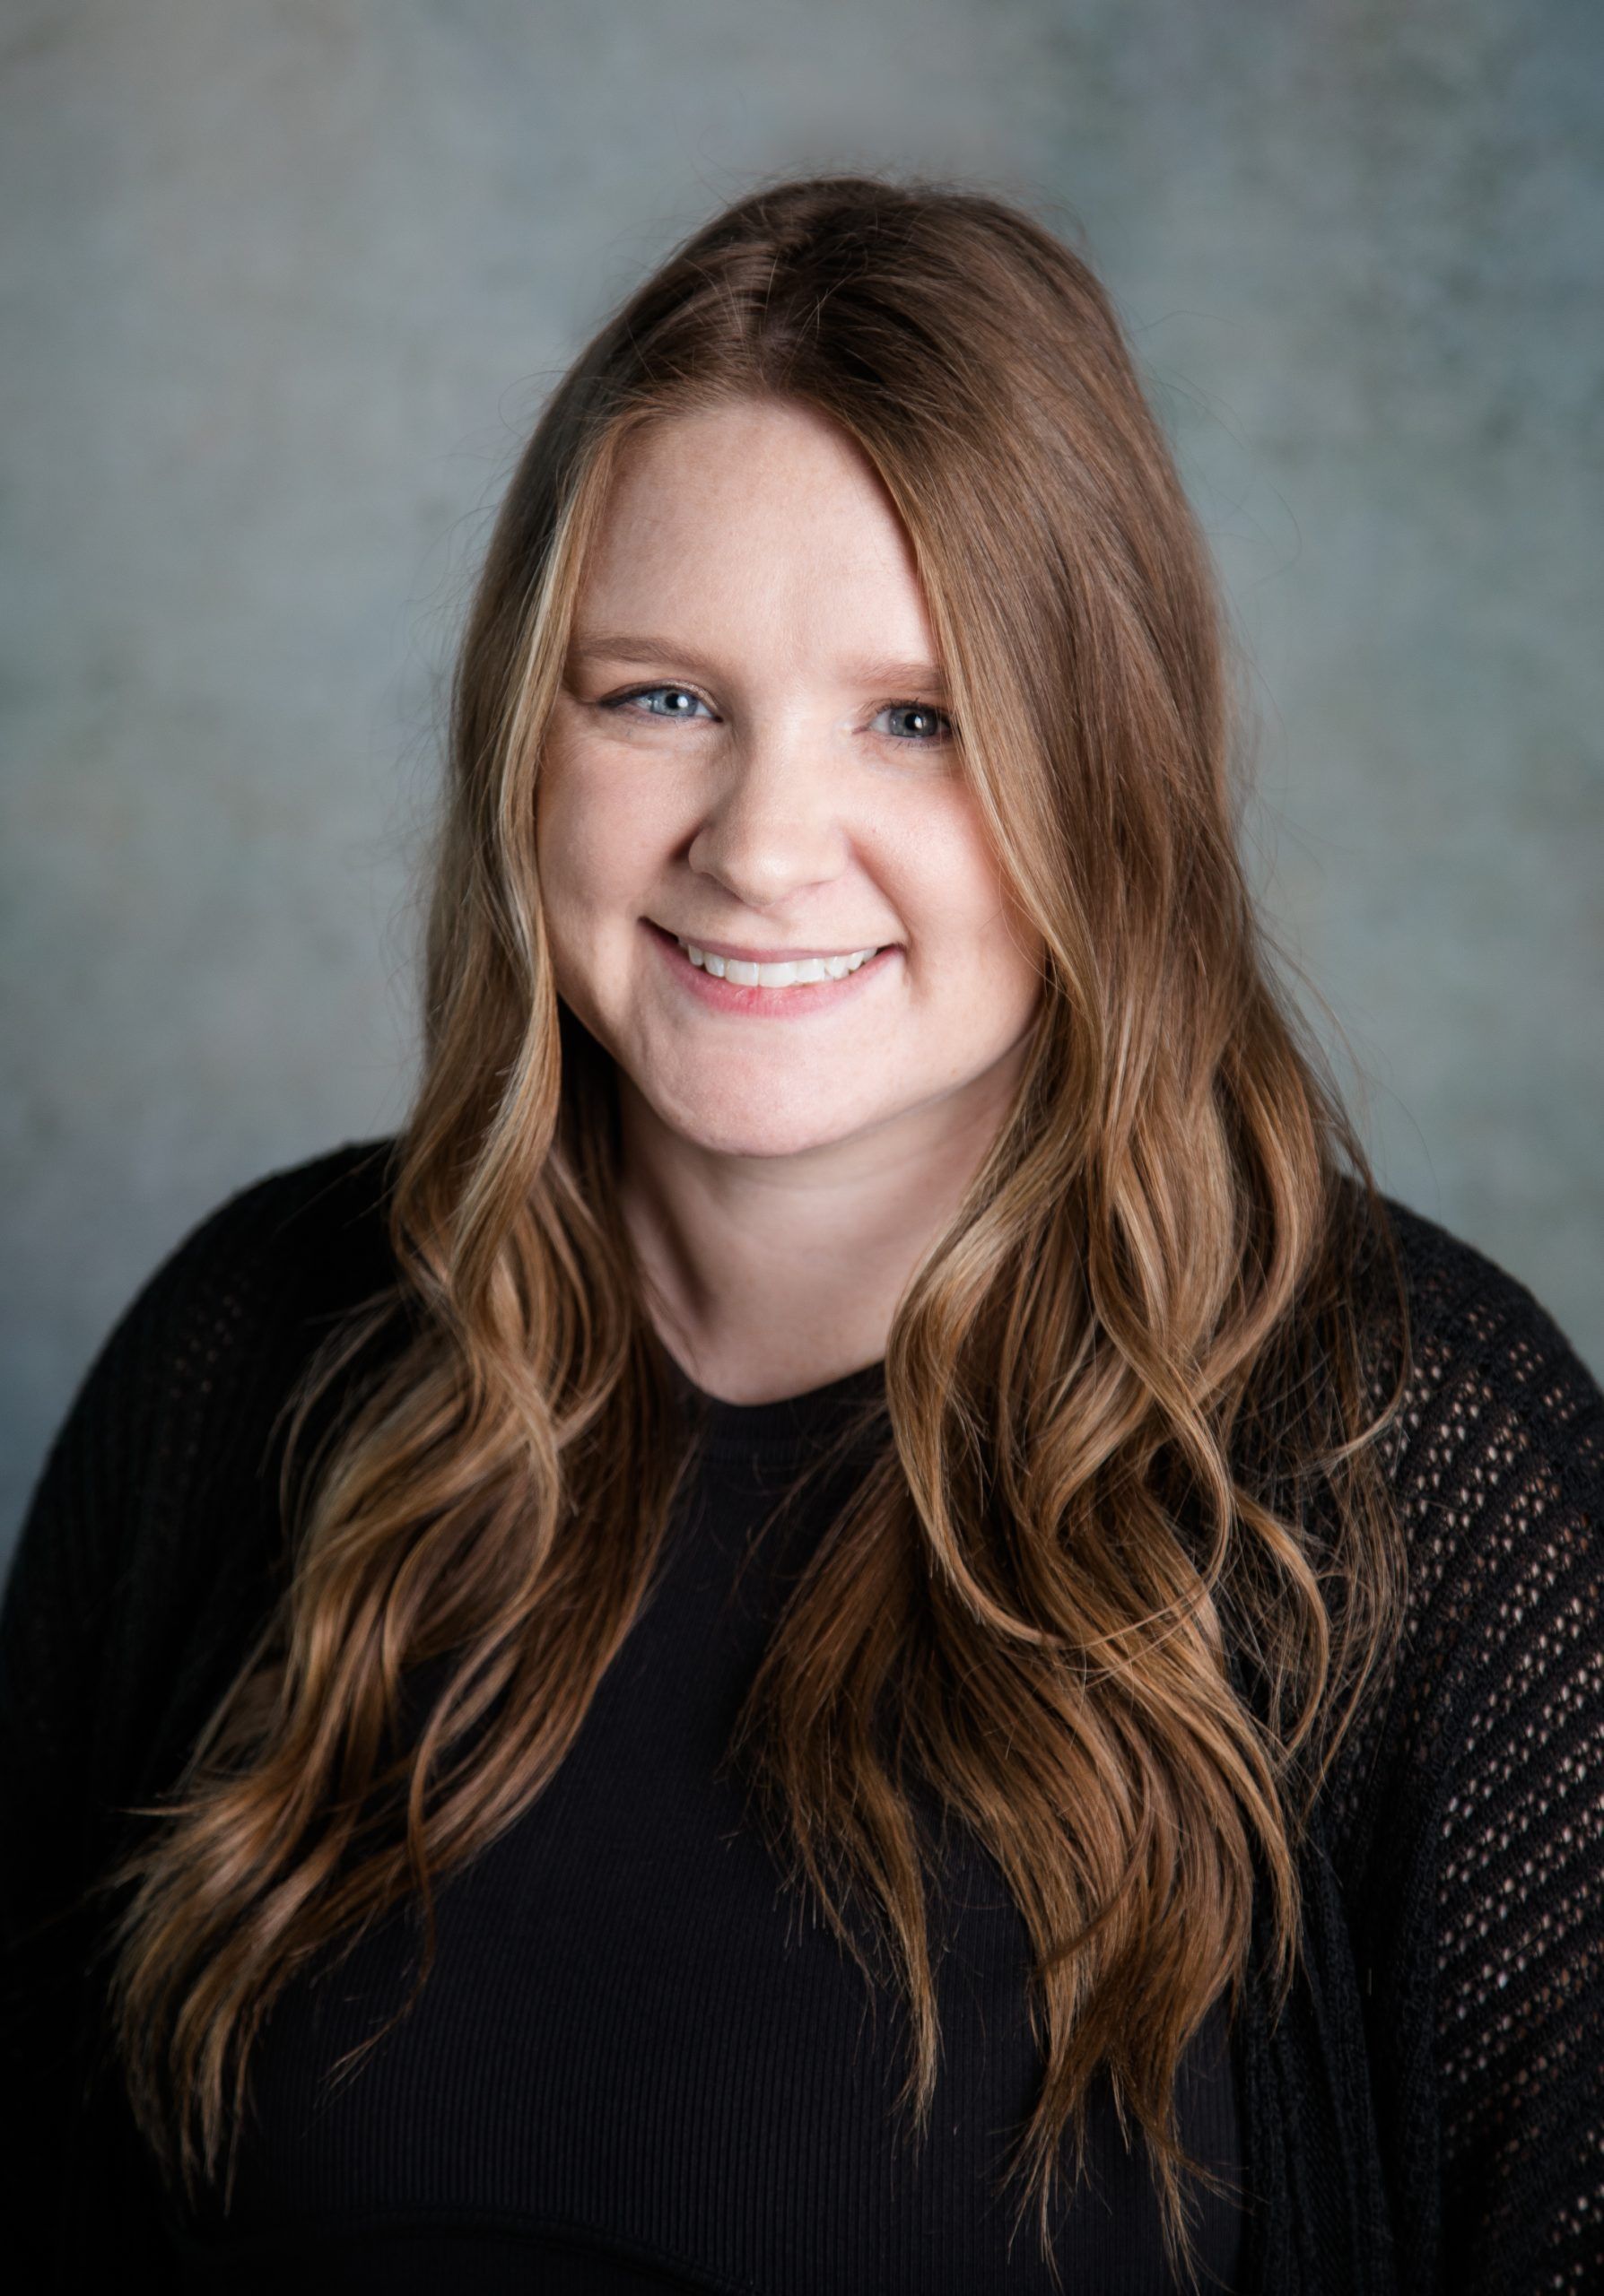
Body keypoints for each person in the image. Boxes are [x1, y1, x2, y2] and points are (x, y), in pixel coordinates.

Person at [2, 170, 1600, 2296]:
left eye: (915, 719)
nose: (759, 845)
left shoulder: (1424, 1480)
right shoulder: (247, 1357)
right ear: (521, 736)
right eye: (658, 695)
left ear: (1101, 776)